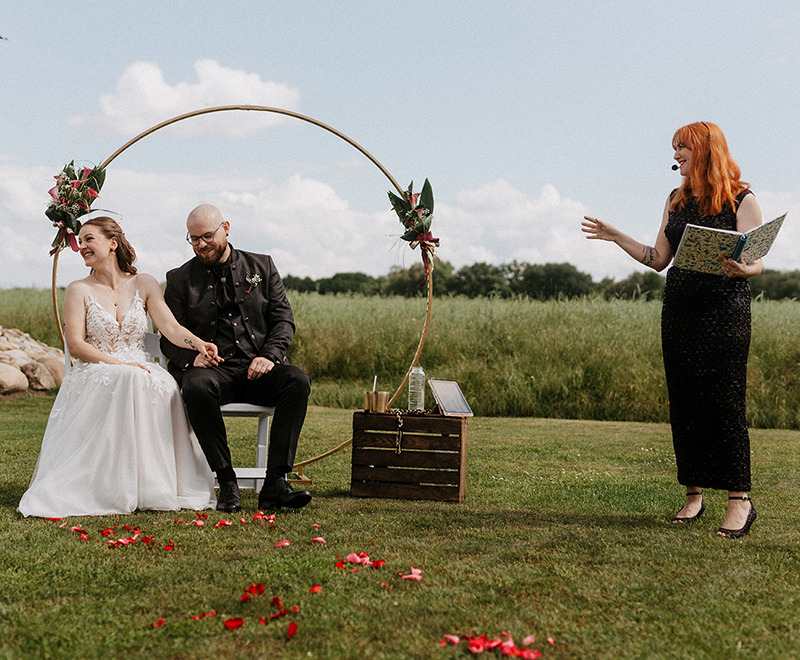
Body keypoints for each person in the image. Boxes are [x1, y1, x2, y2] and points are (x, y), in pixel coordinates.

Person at [582, 121, 761, 539]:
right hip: (679, 310)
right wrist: (615, 236)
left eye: (682, 148)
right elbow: (658, 257)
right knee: (685, 402)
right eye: (674, 149)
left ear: (704, 149)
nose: (676, 155)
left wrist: (741, 268)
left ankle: (740, 501)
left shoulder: (741, 197)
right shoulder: (675, 200)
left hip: (725, 310)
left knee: (725, 402)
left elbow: (757, 262)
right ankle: (694, 496)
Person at [18, 217, 218, 518]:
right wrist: (119, 364)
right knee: (127, 377)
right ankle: (109, 487)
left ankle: (154, 485)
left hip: (141, 366)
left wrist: (199, 344)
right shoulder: (78, 289)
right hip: (97, 367)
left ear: (112, 243)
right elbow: (75, 345)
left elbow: (171, 329)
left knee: (159, 383)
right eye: (80, 241)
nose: (82, 247)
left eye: (89, 239)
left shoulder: (145, 283)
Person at [160, 204, 312, 514]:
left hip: (259, 370)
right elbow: (168, 336)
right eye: (193, 239)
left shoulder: (263, 266)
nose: (202, 245)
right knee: (196, 386)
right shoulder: (179, 279)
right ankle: (226, 482)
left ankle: (276, 482)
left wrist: (270, 356)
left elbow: (284, 320)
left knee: (297, 380)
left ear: (225, 228)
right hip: (214, 372)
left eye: (207, 236)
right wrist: (191, 360)